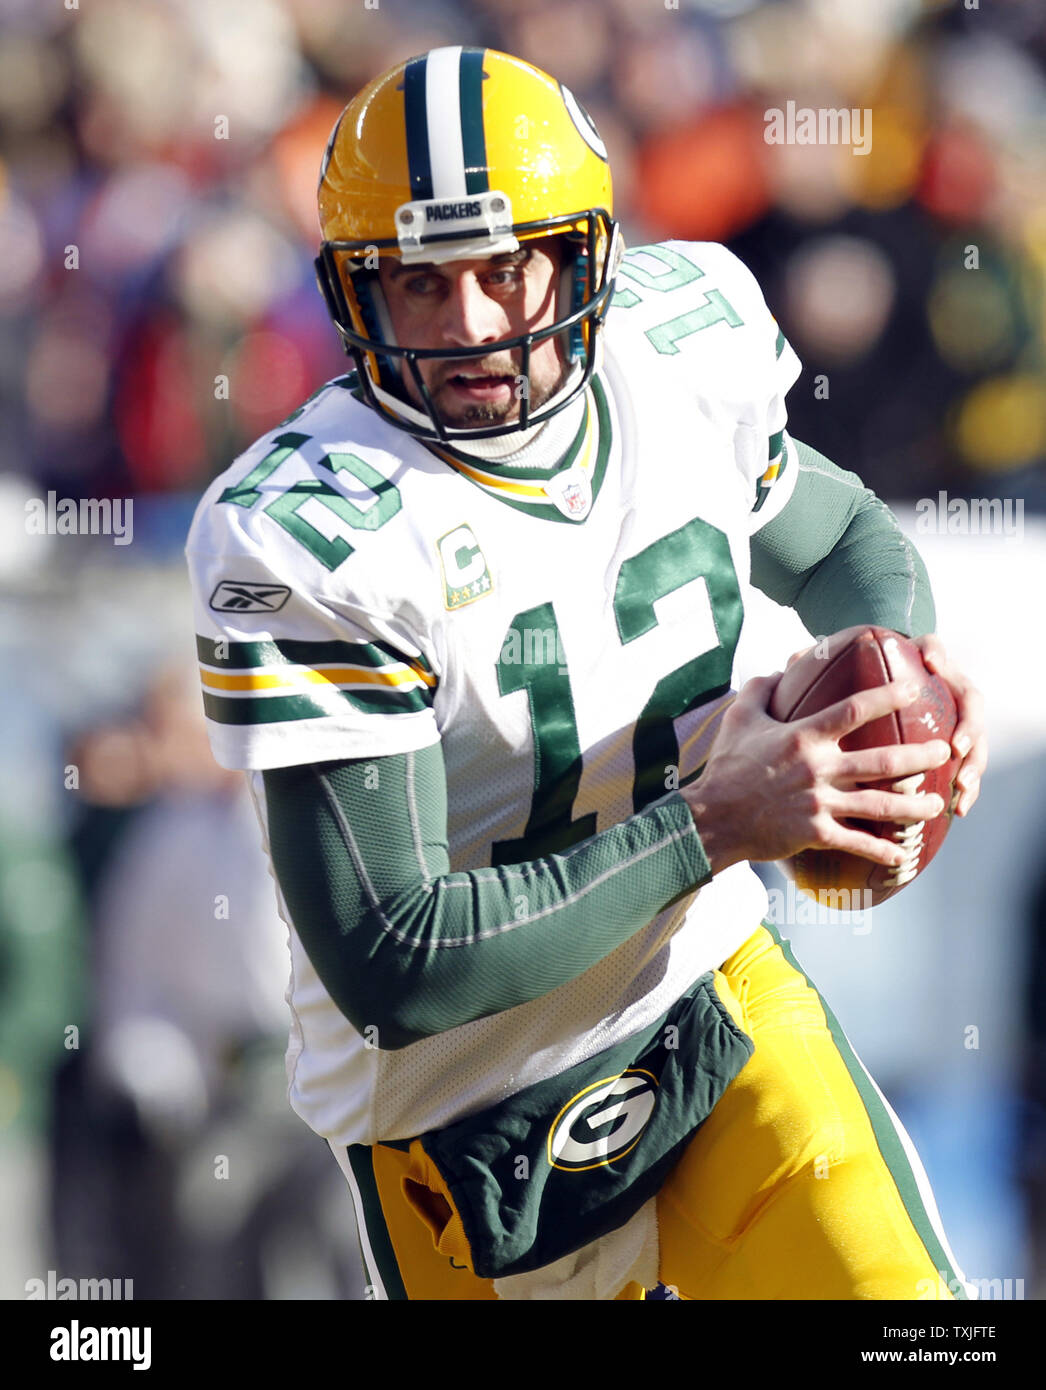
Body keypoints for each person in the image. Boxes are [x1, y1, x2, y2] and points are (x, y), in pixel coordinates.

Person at [185, 46, 986, 1301]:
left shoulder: (681, 349)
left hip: (710, 1005)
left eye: (504, 270)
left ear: (582, 257)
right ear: (354, 293)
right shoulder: (306, 529)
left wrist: (895, 709)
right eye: (417, 284)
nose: (468, 326)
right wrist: (715, 820)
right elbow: (395, 957)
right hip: (464, 1126)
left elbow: (839, 542)